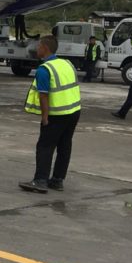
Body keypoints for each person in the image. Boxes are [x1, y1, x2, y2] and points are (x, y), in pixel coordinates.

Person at [19, 35, 82, 193]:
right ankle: (57, 180)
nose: (37, 49)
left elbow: (43, 95)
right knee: (64, 146)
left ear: (45, 48)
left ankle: (40, 180)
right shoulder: (66, 63)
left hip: (57, 113)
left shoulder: (44, 69)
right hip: (73, 110)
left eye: (39, 46)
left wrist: (45, 117)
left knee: (45, 146)